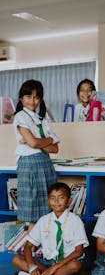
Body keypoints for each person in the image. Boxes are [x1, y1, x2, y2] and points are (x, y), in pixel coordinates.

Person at [12, 182, 89, 275]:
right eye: (52, 198)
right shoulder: (43, 220)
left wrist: (54, 267)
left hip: (66, 262)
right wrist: (32, 266)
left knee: (76, 265)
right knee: (16, 259)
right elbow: (28, 246)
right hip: (46, 262)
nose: (56, 202)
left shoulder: (75, 221)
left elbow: (78, 252)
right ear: (48, 201)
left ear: (69, 201)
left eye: (61, 198)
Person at [13, 79, 59, 230]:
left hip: (45, 163)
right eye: (28, 97)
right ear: (21, 98)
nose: (32, 101)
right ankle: (30, 251)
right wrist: (47, 141)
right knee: (32, 214)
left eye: (36, 97)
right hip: (29, 164)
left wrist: (43, 141)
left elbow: (55, 149)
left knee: (48, 210)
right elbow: (33, 143)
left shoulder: (42, 119)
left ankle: (44, 251)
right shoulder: (20, 116)